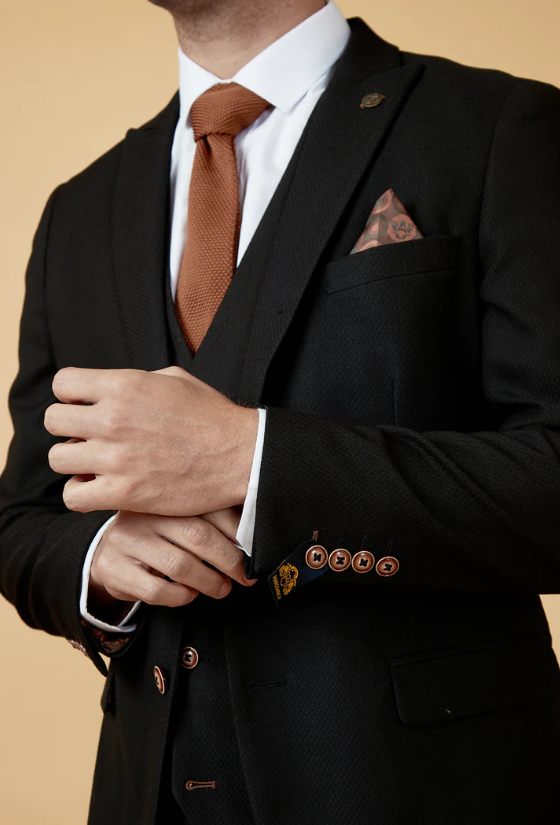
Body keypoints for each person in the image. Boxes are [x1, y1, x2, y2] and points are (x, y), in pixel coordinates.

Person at [1, 0, 560, 822]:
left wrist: (254, 459)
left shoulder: (503, 127)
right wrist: (98, 560)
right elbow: (23, 519)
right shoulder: (79, 209)